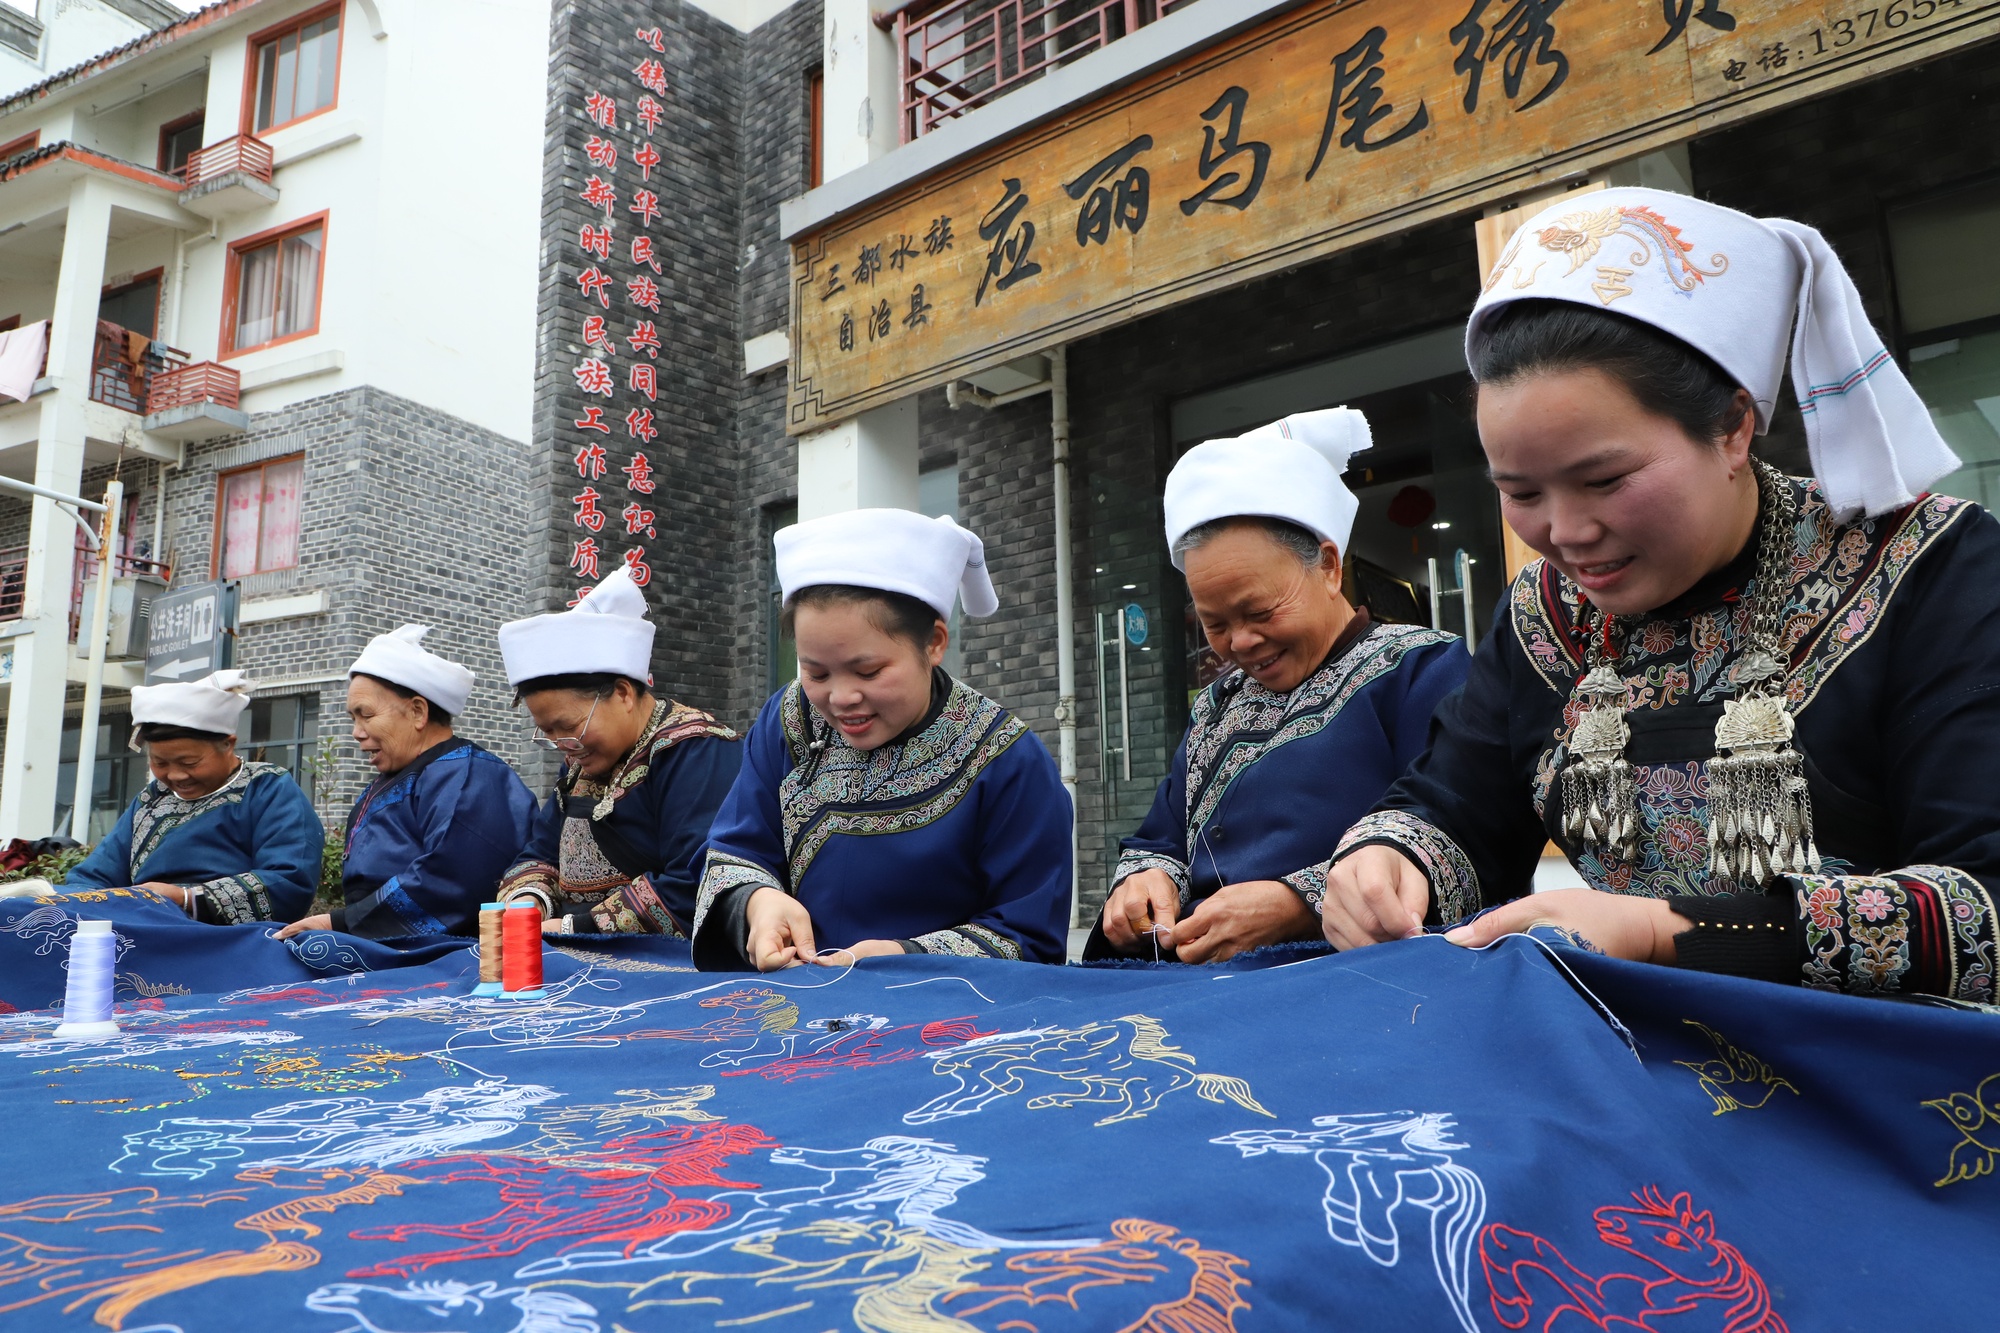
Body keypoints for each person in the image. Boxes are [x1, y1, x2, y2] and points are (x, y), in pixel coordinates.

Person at [1319, 186, 1997, 1002]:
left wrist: (1658, 931)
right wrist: (1390, 858)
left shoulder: (1932, 568)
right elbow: (1455, 801)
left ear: (1734, 428)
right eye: (1521, 492)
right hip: (1621, 1064)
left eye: (1604, 479)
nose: (1565, 533)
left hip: (1876, 1082)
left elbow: (1987, 903)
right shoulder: (1546, 614)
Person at [1085, 409, 1469, 963]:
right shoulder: (1219, 704)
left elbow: (1460, 828)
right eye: (1214, 624)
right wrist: (1146, 883)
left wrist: (1298, 904)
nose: (1239, 643)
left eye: (1260, 610)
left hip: (1349, 978)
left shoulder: (1420, 670)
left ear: (1329, 567)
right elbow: (1161, 836)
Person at [693, 509, 1072, 971]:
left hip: (943, 1017)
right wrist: (758, 903)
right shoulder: (790, 719)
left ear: (934, 643)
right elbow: (736, 849)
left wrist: (902, 957)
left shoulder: (1006, 759)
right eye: (816, 672)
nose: (841, 697)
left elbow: (1028, 935)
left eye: (868, 671)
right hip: (793, 995)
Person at [495, 567, 742, 935]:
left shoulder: (695, 750)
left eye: (569, 726)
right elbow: (539, 852)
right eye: (549, 733)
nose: (563, 745)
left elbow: (700, 882)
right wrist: (528, 901)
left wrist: (574, 927)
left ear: (624, 693)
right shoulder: (580, 764)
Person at [276, 625, 537, 941]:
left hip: (443, 957)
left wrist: (342, 923)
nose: (357, 732)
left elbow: (455, 880)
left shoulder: (470, 775)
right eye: (353, 719)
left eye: (366, 715)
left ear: (417, 711)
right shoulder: (397, 776)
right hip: (376, 940)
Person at [64, 670, 323, 924]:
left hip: (229, 942)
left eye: (189, 762)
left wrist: (186, 898)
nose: (176, 775)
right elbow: (93, 877)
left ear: (228, 743)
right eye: (160, 762)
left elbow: (289, 880)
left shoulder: (266, 789)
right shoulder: (152, 799)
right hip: (143, 927)